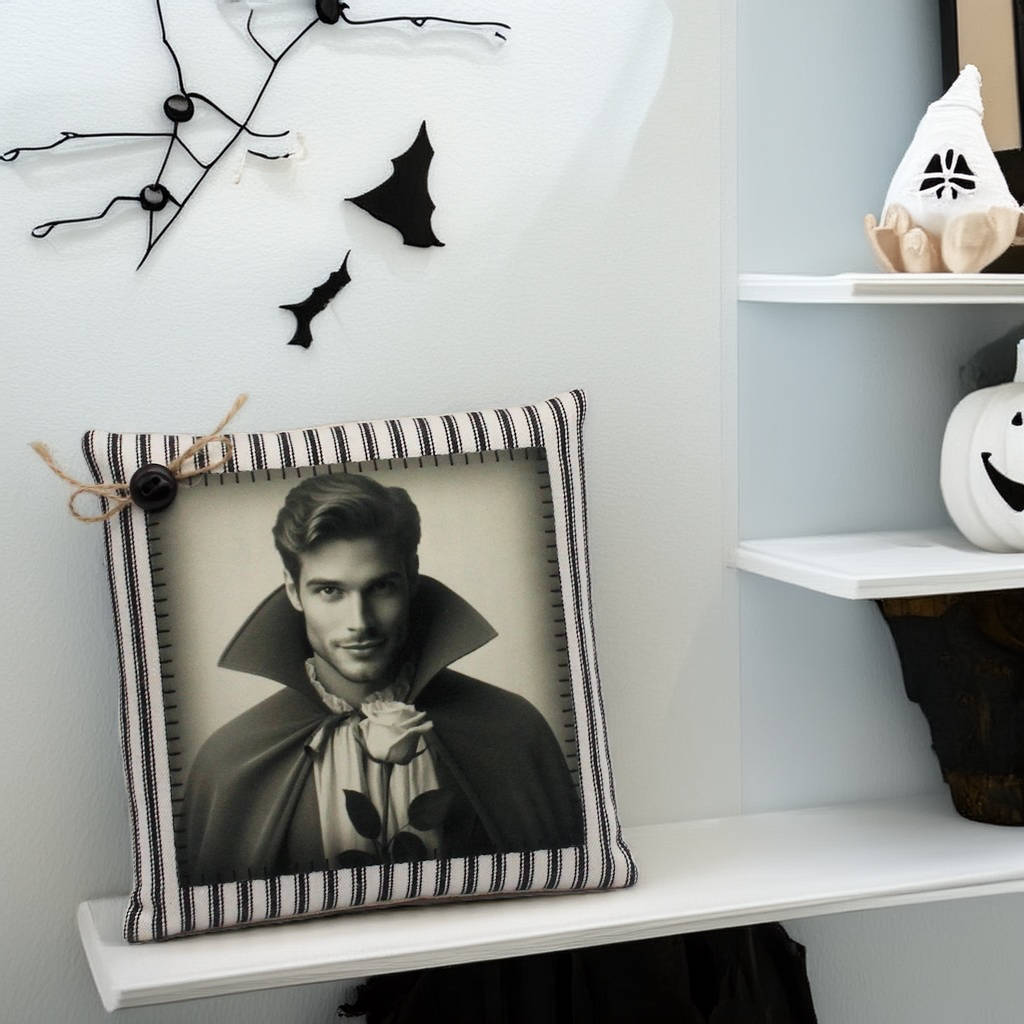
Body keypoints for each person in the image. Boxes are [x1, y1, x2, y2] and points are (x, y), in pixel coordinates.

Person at [184, 473, 582, 884]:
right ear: (293, 591)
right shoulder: (229, 762)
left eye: (381, 587)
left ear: (412, 579)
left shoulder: (511, 732)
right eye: (329, 591)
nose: (359, 622)